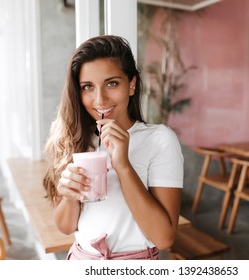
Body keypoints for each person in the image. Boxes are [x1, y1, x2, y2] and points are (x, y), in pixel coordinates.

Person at [43, 35, 184, 260]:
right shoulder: (77, 138)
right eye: (88, 87)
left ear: (132, 84)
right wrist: (70, 195)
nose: (100, 99)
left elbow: (164, 238)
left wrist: (123, 165)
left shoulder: (159, 140)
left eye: (112, 83)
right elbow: (67, 227)